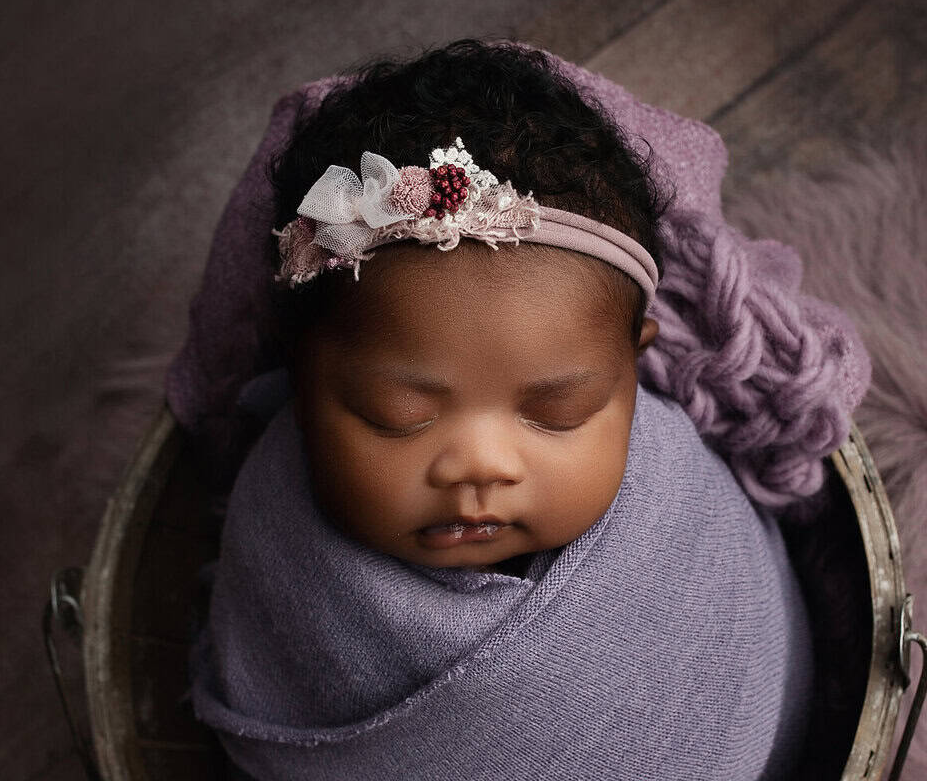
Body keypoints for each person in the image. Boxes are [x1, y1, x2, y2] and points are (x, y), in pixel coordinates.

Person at [182, 38, 869, 780]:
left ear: (634, 365)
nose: (481, 465)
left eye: (561, 409)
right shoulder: (278, 537)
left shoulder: (681, 496)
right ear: (300, 372)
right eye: (394, 412)